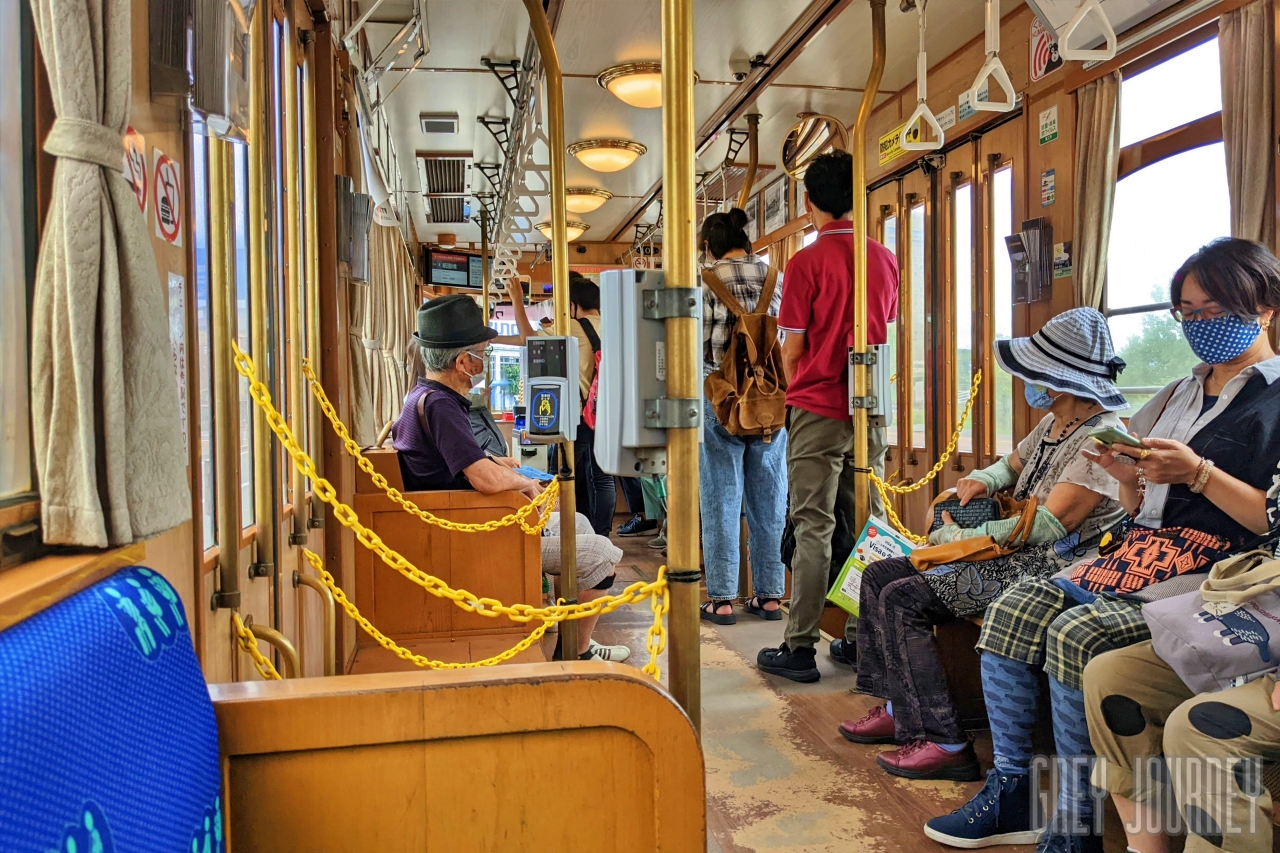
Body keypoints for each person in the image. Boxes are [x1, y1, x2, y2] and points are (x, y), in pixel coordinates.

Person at [925, 238, 1280, 853]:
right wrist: (1126, 476)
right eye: (1187, 313)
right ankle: (1016, 789)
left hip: (1223, 571)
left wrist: (1199, 474)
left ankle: (1077, 813)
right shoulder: (1176, 393)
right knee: (1015, 608)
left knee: (1076, 633)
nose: (1199, 326)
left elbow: (1268, 518)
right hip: (1144, 549)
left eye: (1213, 309)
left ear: (1266, 305)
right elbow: (1143, 506)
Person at [842, 308, 1129, 783]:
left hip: (1045, 566)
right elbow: (1009, 466)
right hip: (1010, 554)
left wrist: (958, 538)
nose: (1028, 382)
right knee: (880, 575)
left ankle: (946, 742)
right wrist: (979, 479)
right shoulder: (1055, 421)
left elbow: (1047, 527)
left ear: (1057, 380)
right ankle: (899, 706)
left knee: (904, 597)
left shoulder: (1102, 437)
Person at [392, 294, 630, 662]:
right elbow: (484, 481)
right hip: (471, 533)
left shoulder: (424, 396)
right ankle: (577, 652)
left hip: (460, 520)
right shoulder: (441, 405)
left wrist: (492, 459)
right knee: (600, 554)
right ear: (462, 362)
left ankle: (564, 625)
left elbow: (456, 463)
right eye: (482, 354)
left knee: (579, 521)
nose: (484, 361)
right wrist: (521, 483)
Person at [756, 149, 899, 682]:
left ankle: (799, 646)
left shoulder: (804, 263)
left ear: (810, 201)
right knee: (869, 523)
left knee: (812, 524)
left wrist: (800, 390)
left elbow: (791, 349)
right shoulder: (884, 259)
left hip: (817, 407)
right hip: (872, 412)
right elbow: (883, 330)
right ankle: (865, 638)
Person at [696, 208, 788, 626]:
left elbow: (698, 351)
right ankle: (769, 595)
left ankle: (722, 599)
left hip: (721, 400)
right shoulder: (775, 279)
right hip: (769, 401)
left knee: (721, 497)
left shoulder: (706, 281)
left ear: (709, 245)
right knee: (769, 497)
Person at [497, 274, 616, 537]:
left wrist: (517, 300)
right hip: (605, 413)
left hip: (580, 415)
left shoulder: (574, 327)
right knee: (602, 478)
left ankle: (567, 535)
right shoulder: (612, 325)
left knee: (560, 475)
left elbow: (529, 340)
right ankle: (601, 536)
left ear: (572, 305)